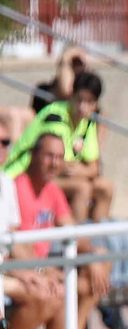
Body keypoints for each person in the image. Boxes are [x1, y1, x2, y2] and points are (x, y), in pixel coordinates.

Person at [13, 133, 112, 329]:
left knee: (100, 261)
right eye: (49, 156)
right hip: (18, 270)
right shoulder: (16, 188)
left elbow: (73, 233)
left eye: (59, 157)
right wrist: (42, 271)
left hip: (41, 270)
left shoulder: (53, 190)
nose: (54, 163)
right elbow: (13, 247)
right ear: (34, 156)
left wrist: (91, 259)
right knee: (56, 292)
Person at [5, 72, 113, 223]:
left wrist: (82, 170)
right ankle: (75, 243)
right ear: (71, 96)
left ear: (95, 105)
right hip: (25, 174)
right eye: (79, 99)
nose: (83, 107)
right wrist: (84, 170)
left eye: (89, 102)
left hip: (51, 174)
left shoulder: (87, 123)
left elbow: (94, 168)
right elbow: (59, 165)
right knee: (82, 188)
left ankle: (100, 238)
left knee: (105, 187)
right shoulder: (55, 116)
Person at [0, 118, 61, 329]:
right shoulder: (17, 182)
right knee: (42, 293)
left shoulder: (5, 181)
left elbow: (13, 240)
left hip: (6, 271)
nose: (3, 148)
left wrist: (37, 271)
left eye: (6, 142)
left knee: (53, 290)